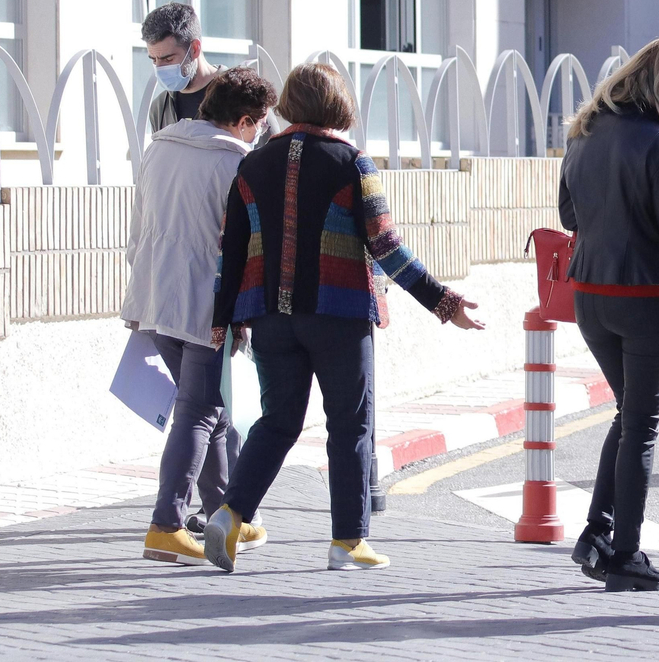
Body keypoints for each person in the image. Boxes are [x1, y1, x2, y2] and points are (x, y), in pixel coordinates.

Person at [203, 63, 485, 574]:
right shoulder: (353, 163)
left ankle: (229, 512)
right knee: (351, 424)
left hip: (269, 318)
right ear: (339, 105)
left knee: (277, 421)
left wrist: (226, 321)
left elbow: (231, 254)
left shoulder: (252, 165)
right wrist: (443, 302)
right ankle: (348, 542)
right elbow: (385, 246)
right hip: (337, 315)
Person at [558, 36, 659, 592]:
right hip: (646, 296)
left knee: (627, 417)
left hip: (589, 292)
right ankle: (625, 555)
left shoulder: (583, 133)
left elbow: (568, 212)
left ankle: (597, 532)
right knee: (640, 427)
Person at [124, 66, 276, 566]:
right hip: (203, 305)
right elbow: (243, 249)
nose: (259, 134)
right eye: (259, 124)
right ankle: (166, 524)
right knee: (199, 411)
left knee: (207, 409)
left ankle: (223, 513)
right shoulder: (236, 164)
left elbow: (138, 227)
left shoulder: (158, 147)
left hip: (151, 296)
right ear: (244, 121)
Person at [142, 3, 222, 133]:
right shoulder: (160, 107)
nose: (159, 68)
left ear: (195, 49)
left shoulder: (239, 94)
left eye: (168, 59)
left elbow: (264, 151)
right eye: (154, 60)